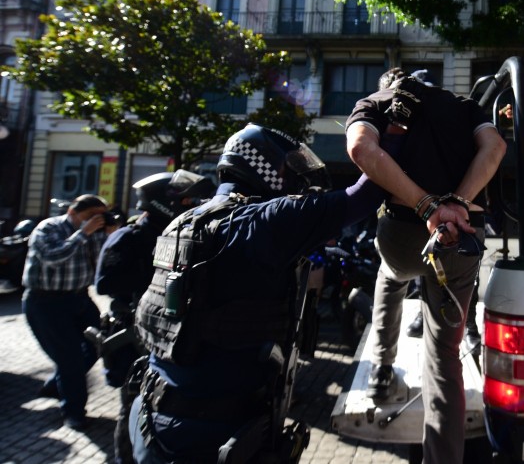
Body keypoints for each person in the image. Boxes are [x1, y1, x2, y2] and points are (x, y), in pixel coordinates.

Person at [127, 122, 410, 463]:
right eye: (291, 168)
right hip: (210, 435)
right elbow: (364, 195)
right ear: (262, 164)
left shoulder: (186, 221)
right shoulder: (266, 220)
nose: (298, 179)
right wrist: (396, 133)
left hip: (151, 415)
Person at [346, 69, 506, 464]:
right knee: (444, 358)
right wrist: (457, 204)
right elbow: (495, 146)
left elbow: (362, 149)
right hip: (462, 234)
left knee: (390, 275)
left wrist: (426, 206)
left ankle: (382, 367)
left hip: (403, 232)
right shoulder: (465, 106)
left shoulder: (378, 101)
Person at [94, 169, 214, 464]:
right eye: (185, 200)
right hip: (131, 336)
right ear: (162, 202)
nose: (191, 205)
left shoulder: (179, 232)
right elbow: (104, 283)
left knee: (162, 405)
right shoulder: (129, 236)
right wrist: (156, 276)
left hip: (165, 336)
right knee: (133, 405)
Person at [21, 193, 117, 430]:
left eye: (100, 216)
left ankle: (57, 383)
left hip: (80, 298)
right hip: (46, 302)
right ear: (72, 212)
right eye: (90, 216)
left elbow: (105, 263)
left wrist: (112, 236)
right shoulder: (48, 228)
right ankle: (74, 413)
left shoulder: (96, 233)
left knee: (100, 343)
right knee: (70, 359)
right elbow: (53, 257)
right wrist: (83, 233)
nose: (95, 220)